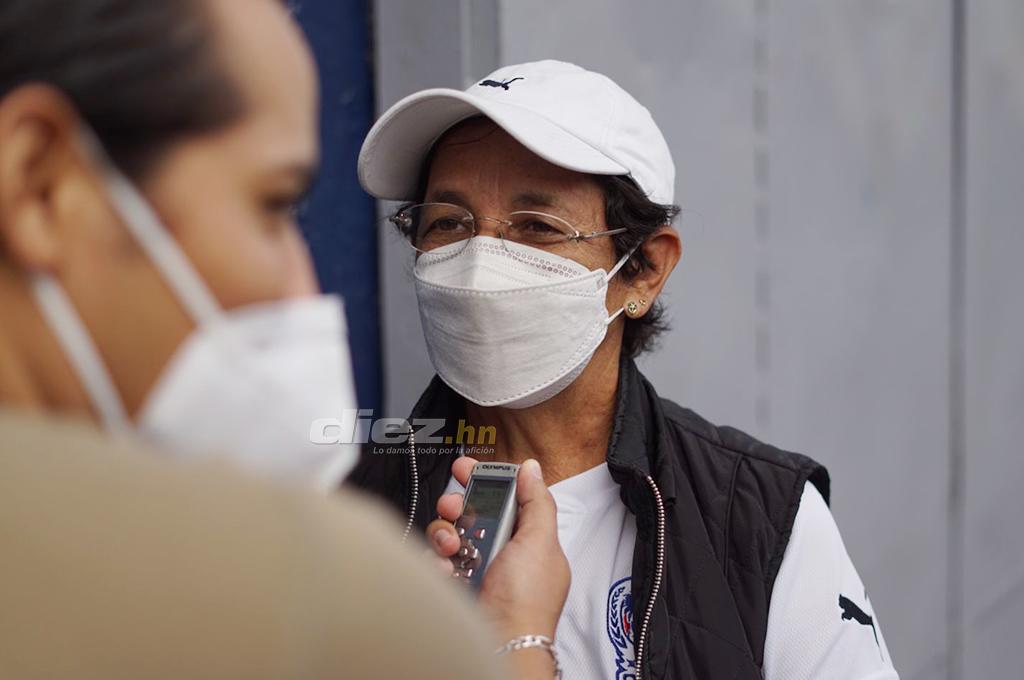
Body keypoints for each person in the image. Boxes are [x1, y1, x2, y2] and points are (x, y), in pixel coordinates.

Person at [0, 2, 567, 678]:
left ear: (645, 268)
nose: (305, 286)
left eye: (537, 226)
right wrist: (516, 644)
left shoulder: (724, 496)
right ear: (39, 186)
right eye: (272, 204)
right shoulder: (314, 600)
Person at [352, 59, 900, 679]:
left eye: (537, 226)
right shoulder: (343, 511)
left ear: (642, 271)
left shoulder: (756, 517)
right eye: (449, 222)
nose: (480, 263)